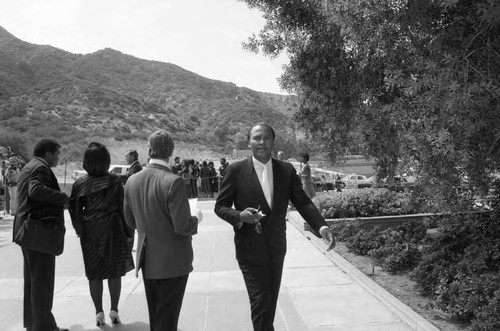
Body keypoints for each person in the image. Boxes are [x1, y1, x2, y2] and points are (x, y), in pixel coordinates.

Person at [214, 123, 335, 331]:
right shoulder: (235, 170)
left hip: (276, 248)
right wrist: (239, 216)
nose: (262, 142)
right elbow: (220, 206)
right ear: (249, 142)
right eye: (256, 138)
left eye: (266, 138)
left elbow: (303, 202)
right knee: (261, 302)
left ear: (273, 142)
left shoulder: (285, 170)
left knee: (269, 302)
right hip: (249, 249)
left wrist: (321, 226)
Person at [123, 130, 202, 331]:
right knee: (168, 320)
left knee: (156, 317)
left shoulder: (132, 181)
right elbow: (183, 226)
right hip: (173, 262)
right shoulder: (173, 181)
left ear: (149, 150)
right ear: (171, 151)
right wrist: (197, 218)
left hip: (149, 260)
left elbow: (130, 220)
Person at [69, 142, 134, 327]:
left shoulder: (79, 184)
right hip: (113, 228)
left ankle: (99, 313)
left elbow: (73, 210)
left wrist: (80, 229)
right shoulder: (114, 181)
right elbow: (123, 209)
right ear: (106, 161)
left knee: (94, 274)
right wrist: (128, 231)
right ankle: (114, 310)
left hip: (90, 232)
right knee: (115, 271)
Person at [12, 139, 69, 331]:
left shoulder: (30, 166)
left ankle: (34, 323)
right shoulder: (40, 168)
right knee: (42, 283)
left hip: (27, 231)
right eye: (57, 154)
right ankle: (44, 326)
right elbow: (35, 190)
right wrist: (63, 198)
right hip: (38, 232)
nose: (58, 158)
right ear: (47, 153)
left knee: (33, 282)